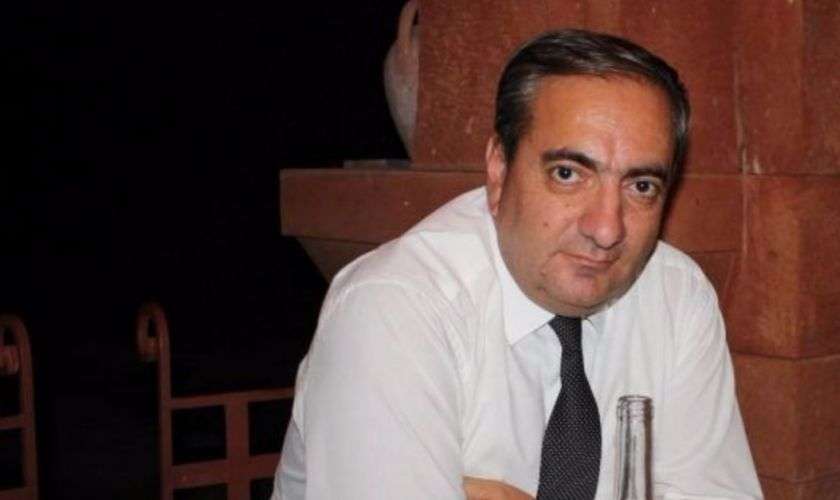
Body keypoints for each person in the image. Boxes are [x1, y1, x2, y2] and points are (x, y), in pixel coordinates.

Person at [272, 29, 762, 499]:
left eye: (641, 186)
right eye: (567, 174)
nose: (606, 229)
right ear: (499, 169)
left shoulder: (676, 295)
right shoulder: (395, 307)